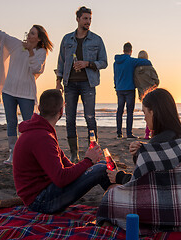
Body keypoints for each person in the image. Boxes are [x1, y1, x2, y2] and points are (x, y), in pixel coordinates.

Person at [97, 88, 181, 235]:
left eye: (145, 113)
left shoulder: (154, 147)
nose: (145, 119)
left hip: (172, 214)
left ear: (153, 112)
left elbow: (139, 184)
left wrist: (119, 177)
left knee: (110, 195)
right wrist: (142, 151)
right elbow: (159, 178)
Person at [0, 7, 53, 164]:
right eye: (29, 32)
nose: (29, 35)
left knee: (28, 124)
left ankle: (29, 153)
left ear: (38, 38)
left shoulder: (41, 52)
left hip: (27, 94)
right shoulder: (16, 44)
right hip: (9, 90)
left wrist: (30, 52)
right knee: (11, 122)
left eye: (32, 33)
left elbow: (37, 69)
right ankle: (13, 153)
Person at [13, 89, 111, 214]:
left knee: (102, 165)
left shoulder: (43, 132)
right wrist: (87, 161)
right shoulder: (42, 137)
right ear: (61, 111)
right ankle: (122, 202)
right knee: (101, 169)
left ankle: (119, 200)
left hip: (43, 194)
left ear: (39, 108)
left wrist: (90, 162)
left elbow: (69, 167)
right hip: (40, 202)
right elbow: (61, 178)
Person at [56, 6, 108, 163]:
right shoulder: (66, 39)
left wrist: (87, 63)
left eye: (90, 19)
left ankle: (93, 151)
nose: (88, 22)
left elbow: (104, 62)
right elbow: (61, 62)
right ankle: (74, 154)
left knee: (90, 118)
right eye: (85, 18)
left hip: (88, 83)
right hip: (69, 84)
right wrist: (58, 82)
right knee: (70, 119)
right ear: (77, 19)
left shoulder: (97, 40)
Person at [114, 42, 152, 139]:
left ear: (123, 50)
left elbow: (115, 76)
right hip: (129, 89)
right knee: (129, 112)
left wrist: (116, 86)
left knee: (120, 111)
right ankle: (129, 134)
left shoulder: (115, 63)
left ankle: (119, 133)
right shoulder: (131, 61)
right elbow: (147, 62)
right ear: (131, 51)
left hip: (119, 88)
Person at [134, 50, 160, 139]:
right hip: (151, 93)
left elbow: (135, 82)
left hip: (142, 94)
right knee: (153, 113)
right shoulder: (150, 67)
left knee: (146, 114)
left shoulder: (135, 69)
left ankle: (146, 134)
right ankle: (152, 133)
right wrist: (153, 87)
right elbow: (157, 80)